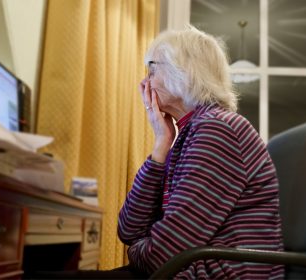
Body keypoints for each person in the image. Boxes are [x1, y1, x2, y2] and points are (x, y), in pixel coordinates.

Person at [117, 26, 284, 279]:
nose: (144, 83)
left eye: (152, 69)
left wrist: (138, 249)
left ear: (184, 72)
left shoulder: (218, 130)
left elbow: (162, 257)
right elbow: (128, 230)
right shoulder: (189, 133)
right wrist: (162, 142)